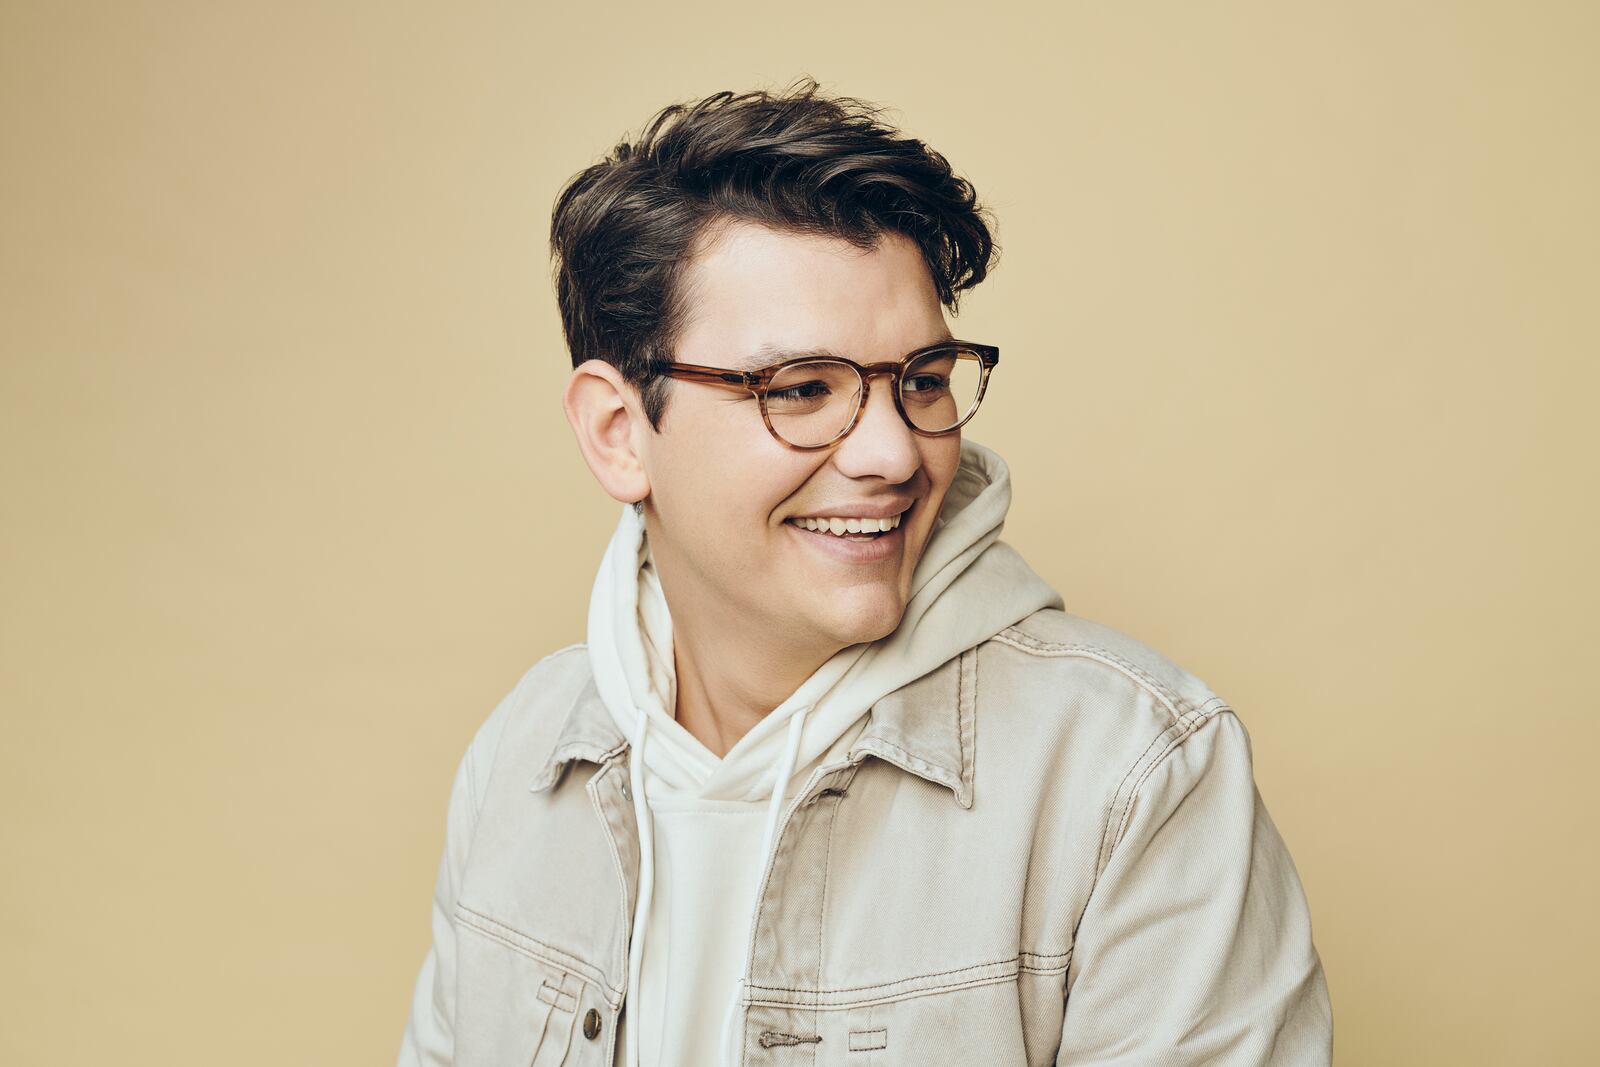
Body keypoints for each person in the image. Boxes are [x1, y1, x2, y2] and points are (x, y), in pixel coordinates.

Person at [396, 78, 1332, 1067]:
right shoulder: (518, 761)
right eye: (803, 388)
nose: (894, 452)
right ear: (619, 431)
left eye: (922, 380)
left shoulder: (1132, 777)